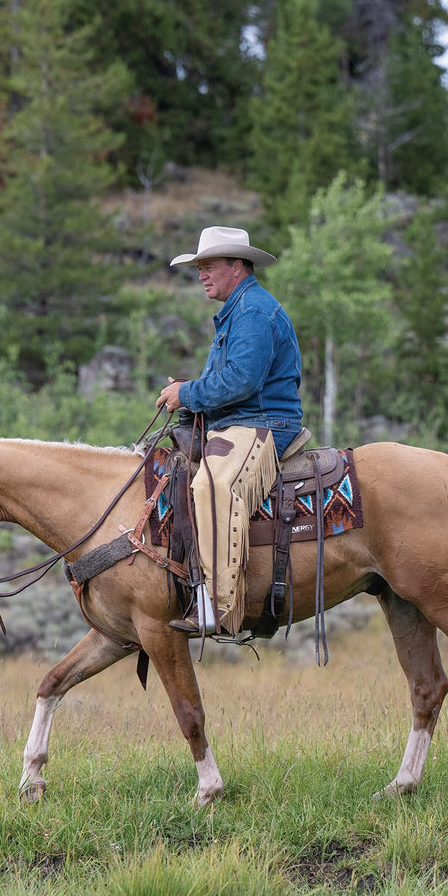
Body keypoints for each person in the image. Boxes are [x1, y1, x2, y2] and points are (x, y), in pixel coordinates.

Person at [156, 226, 304, 636]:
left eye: (209, 267)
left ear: (237, 267)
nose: (202, 275)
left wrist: (186, 392)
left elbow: (241, 381)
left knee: (212, 486)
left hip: (264, 424)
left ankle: (218, 607)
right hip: (240, 422)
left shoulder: (254, 312)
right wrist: (189, 393)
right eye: (199, 268)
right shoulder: (241, 309)